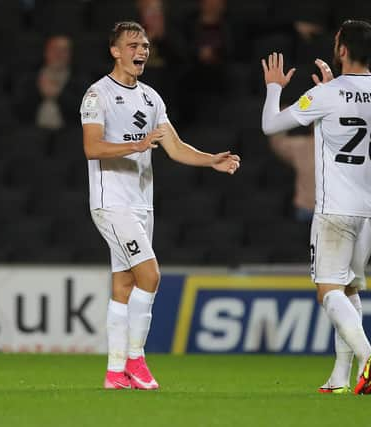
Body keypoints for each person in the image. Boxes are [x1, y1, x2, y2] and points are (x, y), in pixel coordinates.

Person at [80, 21, 240, 390]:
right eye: (133, 45)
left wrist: (210, 159)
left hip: (140, 203)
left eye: (146, 46)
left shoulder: (151, 98)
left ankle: (114, 373)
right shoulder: (97, 95)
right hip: (111, 201)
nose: (141, 51)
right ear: (115, 51)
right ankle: (137, 359)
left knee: (123, 284)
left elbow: (175, 147)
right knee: (150, 276)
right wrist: (133, 146)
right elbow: (92, 147)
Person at [261, 20, 371, 395]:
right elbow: (351, 112)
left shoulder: (328, 94)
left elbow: (270, 125)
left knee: (328, 290)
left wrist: (275, 87)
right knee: (350, 287)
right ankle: (342, 377)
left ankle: (367, 353)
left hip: (336, 207)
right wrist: (327, 94)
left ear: (341, 51)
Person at [14, 35, 88, 130]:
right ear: (46, 52)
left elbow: (85, 113)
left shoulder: (80, 79)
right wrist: (40, 93)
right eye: (54, 49)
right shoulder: (29, 77)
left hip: (68, 133)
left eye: (64, 50)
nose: (58, 54)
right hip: (33, 131)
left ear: (70, 54)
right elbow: (19, 110)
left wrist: (59, 95)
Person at [268, 126, 315, 223]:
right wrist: (283, 116)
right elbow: (277, 142)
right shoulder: (301, 145)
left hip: (334, 213)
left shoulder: (342, 147)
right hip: (306, 210)